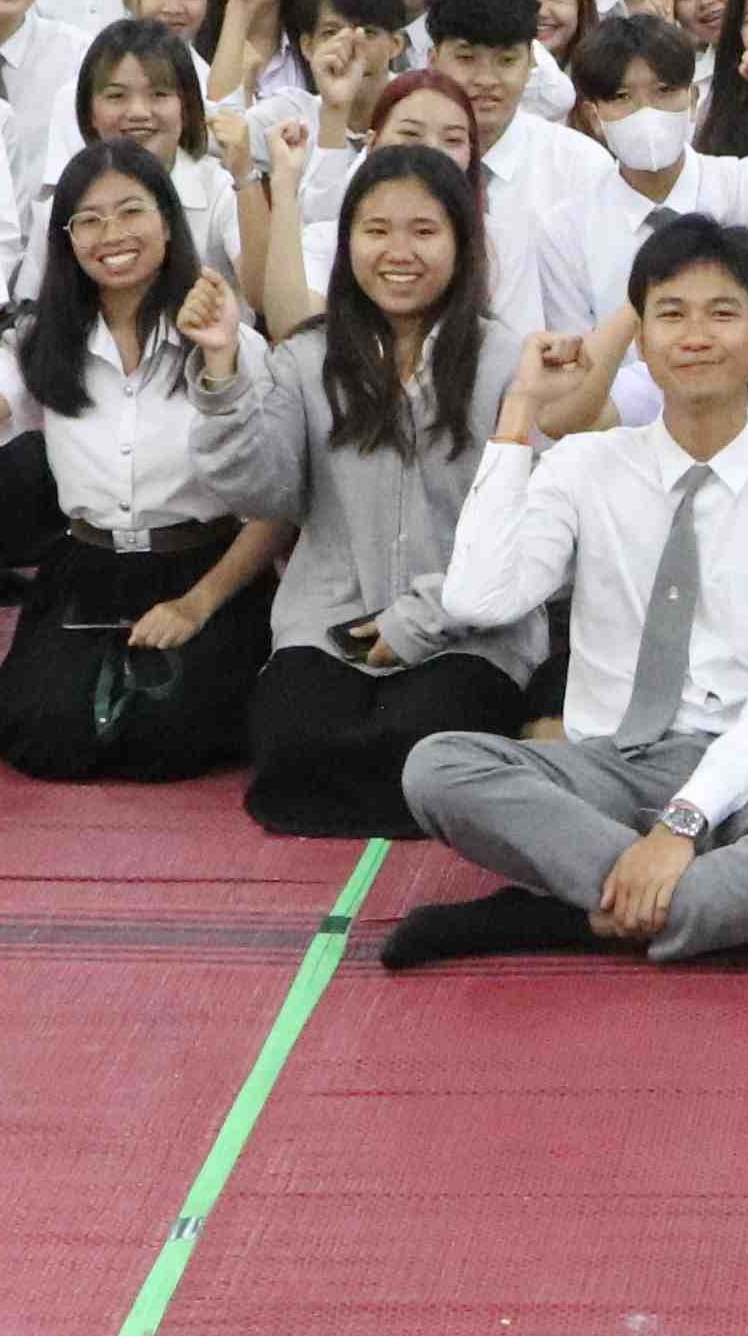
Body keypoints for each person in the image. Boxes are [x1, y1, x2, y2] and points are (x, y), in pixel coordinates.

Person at [386, 217, 748, 968]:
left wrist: (682, 823)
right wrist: (520, 415)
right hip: (608, 762)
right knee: (436, 767)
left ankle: (557, 916)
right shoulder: (584, 465)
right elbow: (479, 599)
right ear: (641, 343)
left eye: (722, 313)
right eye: (671, 314)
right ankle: (736, 910)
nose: (696, 336)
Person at [212, 138, 550, 837]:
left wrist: (420, 619)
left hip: (467, 631)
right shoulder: (307, 355)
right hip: (329, 625)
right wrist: (222, 378)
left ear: (462, 244)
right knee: (290, 752)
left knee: (426, 739)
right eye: (376, 231)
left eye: (424, 231)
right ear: (347, 244)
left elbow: (532, 529)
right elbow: (261, 494)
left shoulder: (507, 362)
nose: (399, 252)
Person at [0, 141, 289, 783]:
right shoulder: (38, 341)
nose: (112, 235)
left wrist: (196, 605)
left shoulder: (226, 338)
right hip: (87, 571)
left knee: (171, 732)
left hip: (203, 567)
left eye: (131, 212)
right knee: (47, 733)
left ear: (167, 222)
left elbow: (278, 505)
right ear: (66, 239)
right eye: (89, 220)